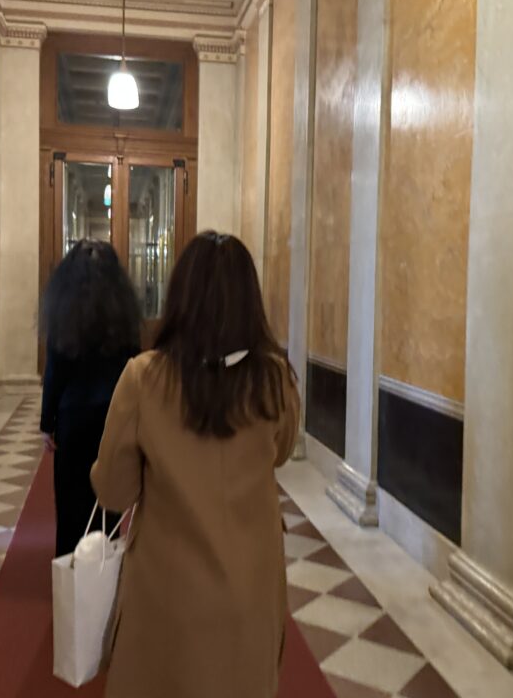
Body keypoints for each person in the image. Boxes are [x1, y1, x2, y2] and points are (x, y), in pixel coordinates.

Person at [91, 231, 300, 698]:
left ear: (180, 297)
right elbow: (282, 450)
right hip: (251, 581)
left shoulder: (144, 378)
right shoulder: (276, 380)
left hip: (167, 588)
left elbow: (113, 491)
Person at [40, 239, 141, 558]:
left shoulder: (64, 312)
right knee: (107, 495)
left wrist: (47, 422)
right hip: (113, 414)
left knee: (70, 498)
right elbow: (134, 367)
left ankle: (70, 561)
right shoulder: (124, 314)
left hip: (72, 416)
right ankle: (104, 562)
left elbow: (54, 372)